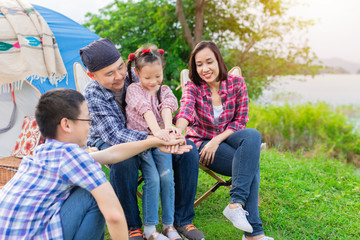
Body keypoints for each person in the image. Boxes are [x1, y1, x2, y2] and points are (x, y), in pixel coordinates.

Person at [0, 88, 190, 240]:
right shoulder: (72, 156)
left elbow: (111, 153)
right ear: (66, 124)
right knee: (95, 194)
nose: (90, 126)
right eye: (87, 120)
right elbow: (114, 215)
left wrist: (156, 141)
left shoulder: (43, 152)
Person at [80, 38, 205, 240]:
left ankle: (182, 220)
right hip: (108, 141)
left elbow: (162, 95)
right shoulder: (93, 94)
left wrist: (169, 132)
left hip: (154, 133)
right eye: (109, 74)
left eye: (120, 67)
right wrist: (156, 139)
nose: (119, 76)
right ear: (92, 75)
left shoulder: (137, 74)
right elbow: (115, 136)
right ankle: (132, 226)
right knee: (123, 160)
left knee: (188, 150)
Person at [174, 41, 274, 240]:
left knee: (252, 134)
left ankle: (235, 204)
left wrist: (217, 140)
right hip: (202, 143)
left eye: (209, 62)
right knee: (251, 165)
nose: (205, 69)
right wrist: (178, 132)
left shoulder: (237, 84)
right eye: (199, 64)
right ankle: (253, 234)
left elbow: (240, 121)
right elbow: (185, 109)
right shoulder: (193, 86)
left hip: (225, 139)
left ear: (218, 60)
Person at [126, 45, 181, 240]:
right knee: (153, 179)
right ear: (137, 72)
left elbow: (167, 107)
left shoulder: (163, 89)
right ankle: (149, 228)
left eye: (157, 76)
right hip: (142, 142)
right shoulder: (133, 90)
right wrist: (157, 133)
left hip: (161, 140)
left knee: (167, 178)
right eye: (147, 77)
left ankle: (169, 225)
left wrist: (167, 130)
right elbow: (145, 111)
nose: (153, 81)